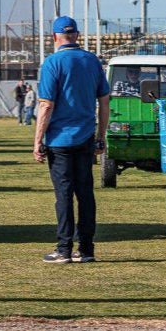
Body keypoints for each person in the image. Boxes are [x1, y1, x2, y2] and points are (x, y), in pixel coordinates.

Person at [33, 16, 109, 264]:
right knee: (85, 192)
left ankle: (64, 248)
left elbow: (46, 105)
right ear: (76, 35)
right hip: (86, 136)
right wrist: (101, 136)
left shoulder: (52, 63)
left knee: (64, 194)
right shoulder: (92, 60)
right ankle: (86, 248)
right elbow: (104, 101)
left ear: (54, 37)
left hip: (59, 139)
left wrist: (37, 141)